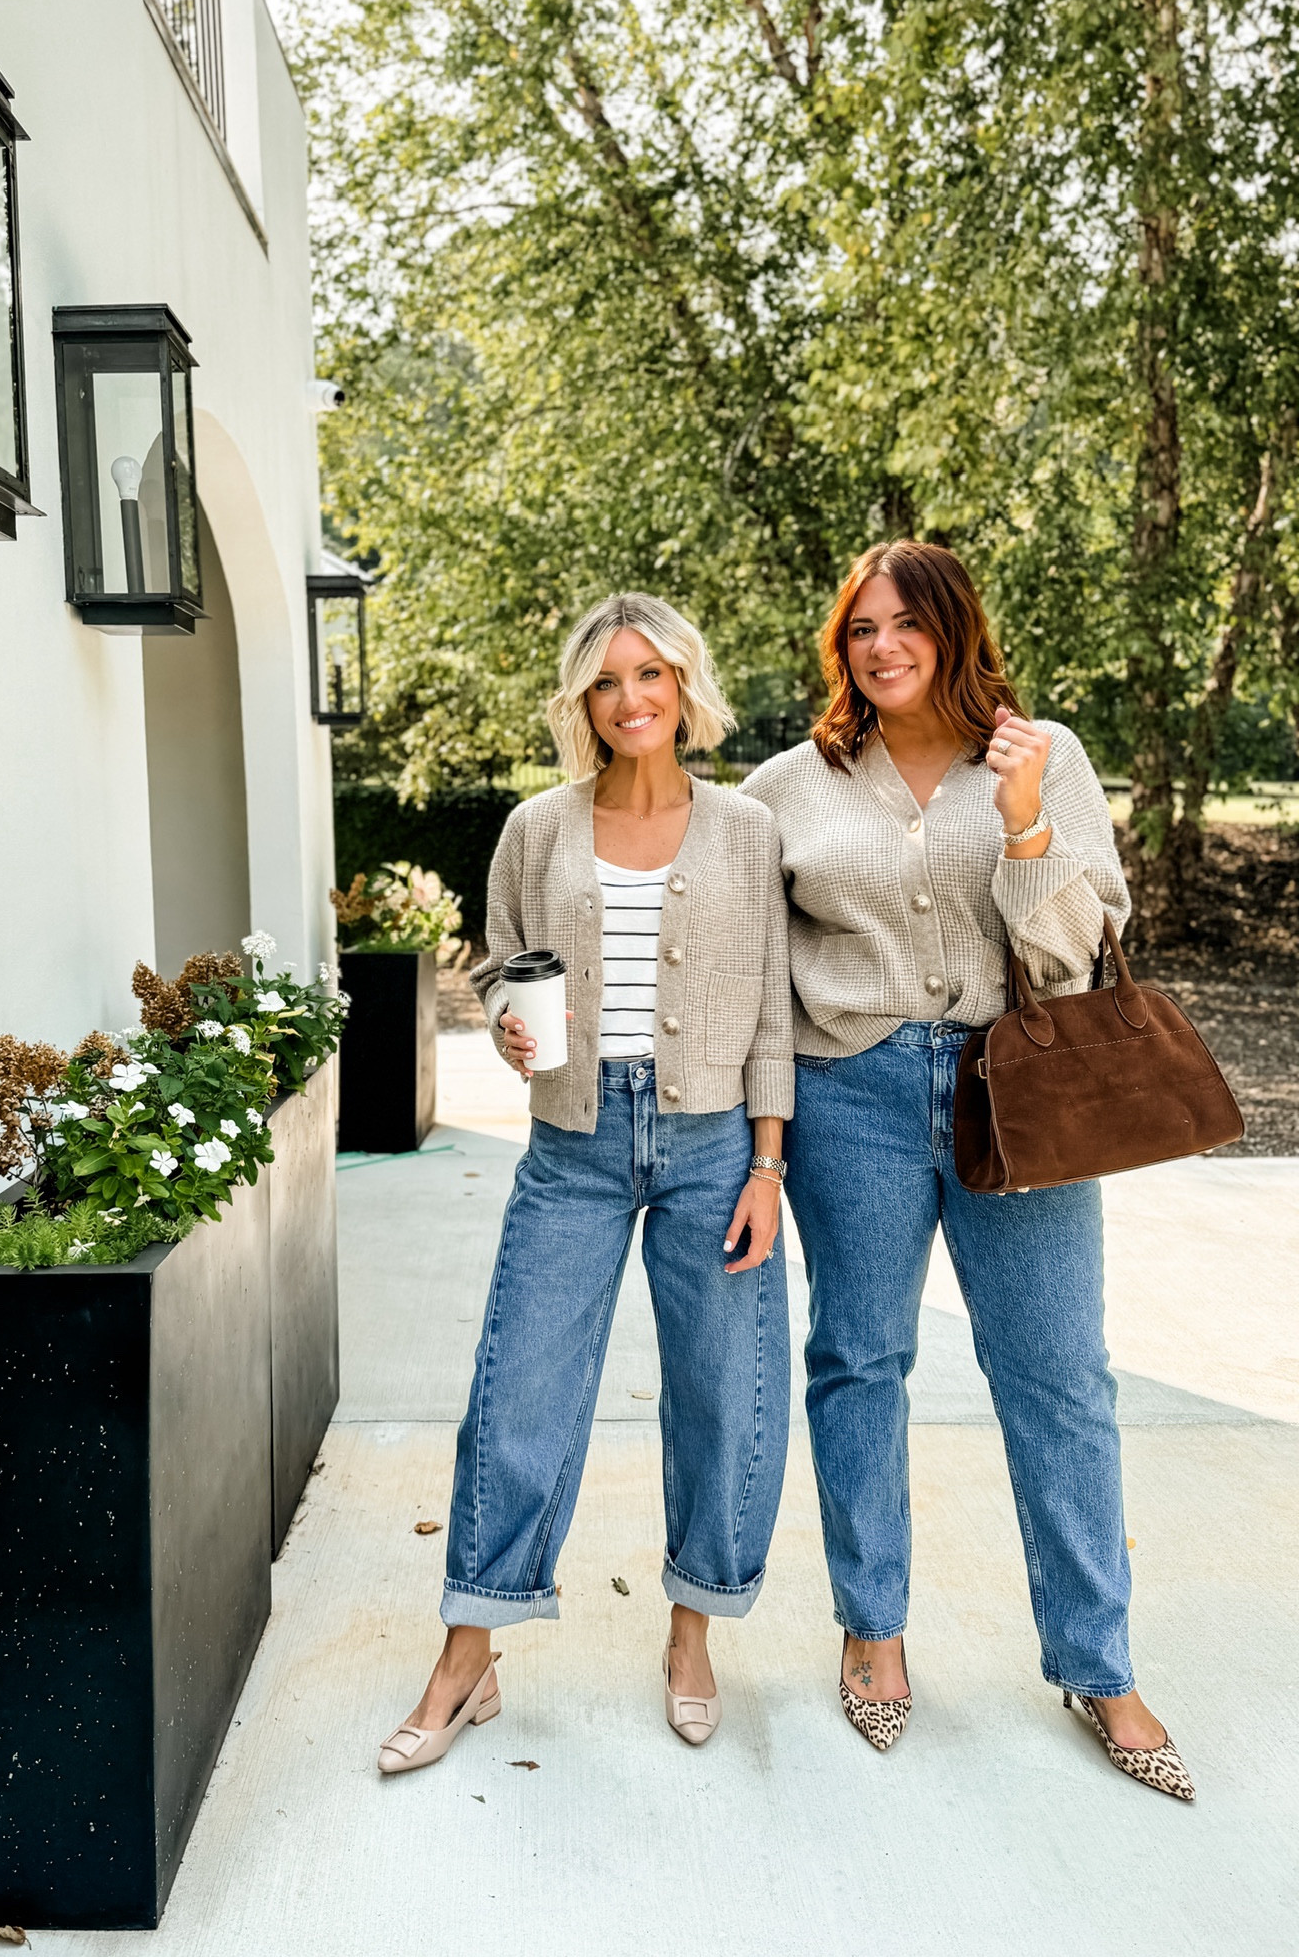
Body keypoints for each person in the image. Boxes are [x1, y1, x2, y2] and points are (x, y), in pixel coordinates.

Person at [740, 540, 1194, 1802]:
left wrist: (1024, 820)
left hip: (1023, 1089)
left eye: (904, 625)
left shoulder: (1043, 753)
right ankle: (873, 1627)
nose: (880, 647)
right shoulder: (790, 783)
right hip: (853, 1095)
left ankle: (1096, 1662)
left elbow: (1072, 953)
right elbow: (753, 973)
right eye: (859, 631)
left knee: (1058, 1375)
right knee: (860, 1359)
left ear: (954, 629)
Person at [377, 592, 794, 1773]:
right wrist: (514, 1036)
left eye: (651, 675)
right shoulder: (536, 829)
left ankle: (692, 1628)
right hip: (573, 1142)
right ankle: (468, 1658)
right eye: (608, 681)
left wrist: (769, 1161)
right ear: (584, 701)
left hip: (716, 1141)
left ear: (684, 687)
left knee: (723, 1391)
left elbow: (772, 1006)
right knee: (520, 1391)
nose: (632, 700)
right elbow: (512, 971)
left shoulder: (746, 829)